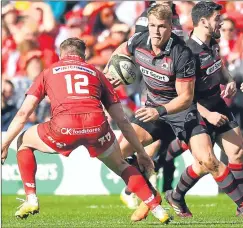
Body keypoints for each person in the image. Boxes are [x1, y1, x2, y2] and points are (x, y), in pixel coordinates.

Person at [1, 38, 170, 224]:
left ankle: (31, 199)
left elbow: (24, 112)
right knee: (122, 166)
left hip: (63, 128)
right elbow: (122, 120)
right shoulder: (97, 74)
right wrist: (140, 152)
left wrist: (5, 142)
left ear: (61, 54)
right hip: (97, 128)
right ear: (84, 56)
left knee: (23, 141)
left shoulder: (48, 72)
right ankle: (157, 208)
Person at [104, 4, 243, 221]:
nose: (156, 31)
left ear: (171, 26)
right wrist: (109, 71)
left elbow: (186, 98)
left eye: (161, 26)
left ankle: (240, 204)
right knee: (116, 155)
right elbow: (122, 50)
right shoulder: (139, 41)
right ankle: (151, 195)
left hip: (182, 112)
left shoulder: (182, 53)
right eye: (152, 26)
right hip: (153, 110)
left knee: (208, 161)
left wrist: (159, 110)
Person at [164, 1, 243, 217]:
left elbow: (219, 65)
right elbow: (181, 94)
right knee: (206, 161)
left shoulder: (213, 42)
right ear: (202, 21)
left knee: (237, 152)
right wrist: (207, 114)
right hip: (194, 111)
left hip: (216, 103)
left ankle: (176, 196)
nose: (221, 22)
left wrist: (228, 80)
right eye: (217, 19)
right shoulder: (186, 52)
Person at [120, 0, 184, 210]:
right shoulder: (146, 20)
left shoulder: (176, 19)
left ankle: (148, 190)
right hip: (150, 90)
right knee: (151, 146)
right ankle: (137, 188)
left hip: (176, 96)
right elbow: (135, 48)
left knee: (161, 150)